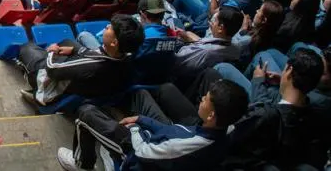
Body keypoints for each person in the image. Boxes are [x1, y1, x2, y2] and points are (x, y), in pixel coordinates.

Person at [57, 78, 248, 171]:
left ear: (212, 114)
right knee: (142, 96)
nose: (202, 99)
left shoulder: (186, 145)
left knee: (85, 114)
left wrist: (134, 128)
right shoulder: (227, 129)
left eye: (206, 99)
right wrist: (142, 119)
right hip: (167, 139)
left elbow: (142, 152)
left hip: (138, 155)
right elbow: (171, 131)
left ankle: (82, 163)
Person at [15, 15, 145, 106]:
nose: (106, 27)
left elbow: (53, 69)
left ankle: (33, 67)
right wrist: (73, 51)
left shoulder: (92, 65)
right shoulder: (127, 58)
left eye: (110, 28)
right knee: (69, 42)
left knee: (27, 47)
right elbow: (92, 53)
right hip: (94, 81)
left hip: (55, 76)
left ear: (114, 42)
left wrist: (52, 51)